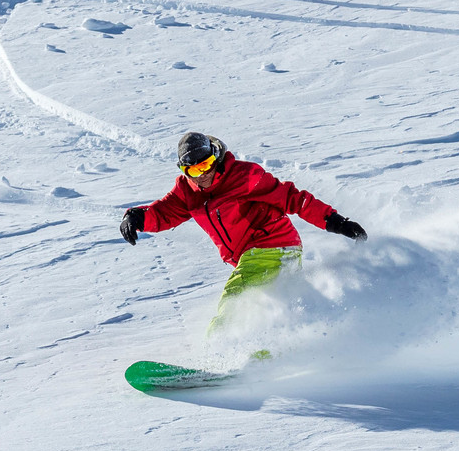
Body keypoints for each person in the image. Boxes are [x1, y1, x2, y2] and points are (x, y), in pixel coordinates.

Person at [119, 132, 367, 334]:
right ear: (184, 170)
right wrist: (136, 217)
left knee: (236, 300)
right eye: (194, 170)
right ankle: (270, 353)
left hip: (272, 245)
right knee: (267, 309)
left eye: (206, 165)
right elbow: (164, 212)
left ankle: (220, 354)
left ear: (215, 157)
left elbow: (292, 198)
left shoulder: (244, 176)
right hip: (256, 256)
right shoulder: (187, 190)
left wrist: (336, 222)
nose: (202, 174)